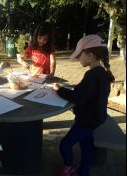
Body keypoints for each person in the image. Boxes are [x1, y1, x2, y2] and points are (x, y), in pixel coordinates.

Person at [53, 35, 115, 176]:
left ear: (90, 55)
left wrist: (59, 89)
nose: (77, 58)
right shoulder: (102, 73)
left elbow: (77, 97)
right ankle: (84, 171)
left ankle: (68, 167)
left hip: (86, 120)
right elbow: (87, 94)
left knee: (65, 144)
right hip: (97, 118)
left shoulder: (91, 76)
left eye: (79, 55)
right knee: (86, 144)